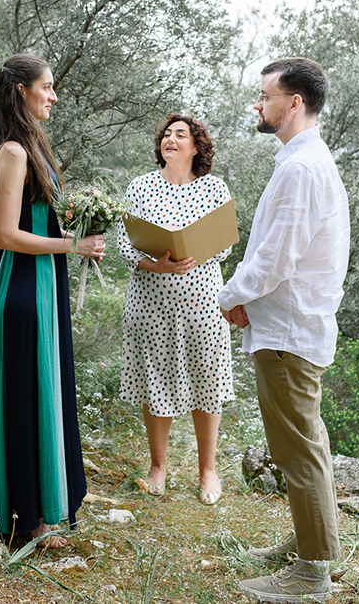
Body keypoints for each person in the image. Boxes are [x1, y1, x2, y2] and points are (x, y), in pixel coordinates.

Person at [0, 54, 105, 546]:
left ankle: (43, 507)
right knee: (24, 395)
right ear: (20, 91)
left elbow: (39, 216)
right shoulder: (12, 151)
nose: (53, 95)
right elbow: (6, 235)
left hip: (45, 288)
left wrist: (79, 220)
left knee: (44, 391)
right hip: (22, 292)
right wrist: (70, 245)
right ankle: (23, 517)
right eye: (47, 87)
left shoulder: (33, 144)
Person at [218, 58, 349, 603]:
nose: (259, 103)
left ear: (293, 103)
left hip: (291, 330)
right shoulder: (305, 161)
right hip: (291, 325)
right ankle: (306, 540)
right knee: (301, 442)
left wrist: (229, 295)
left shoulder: (302, 167)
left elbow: (276, 257)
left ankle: (312, 572)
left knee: (298, 448)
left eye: (265, 94)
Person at [117, 114, 234, 504]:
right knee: (156, 380)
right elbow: (124, 243)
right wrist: (157, 263)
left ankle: (208, 471)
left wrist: (193, 248)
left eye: (180, 134)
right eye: (167, 134)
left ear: (197, 146)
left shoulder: (214, 188)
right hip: (150, 303)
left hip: (202, 303)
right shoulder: (141, 186)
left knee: (207, 383)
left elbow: (226, 244)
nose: (170, 139)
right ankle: (158, 468)